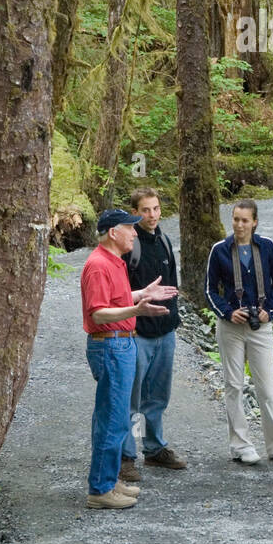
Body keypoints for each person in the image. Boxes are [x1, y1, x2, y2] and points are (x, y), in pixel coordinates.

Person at [80, 209, 177, 510]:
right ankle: (100, 489)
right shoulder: (98, 265)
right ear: (113, 232)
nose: (135, 233)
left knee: (117, 416)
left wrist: (139, 294)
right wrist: (135, 311)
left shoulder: (113, 261)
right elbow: (98, 313)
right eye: (129, 228)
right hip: (110, 346)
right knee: (111, 419)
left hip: (121, 345)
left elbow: (114, 300)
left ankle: (108, 480)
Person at [205, 200, 273, 465]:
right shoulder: (219, 250)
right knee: (234, 385)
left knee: (267, 388)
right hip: (231, 326)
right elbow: (209, 289)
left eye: (245, 220)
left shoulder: (267, 247)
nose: (240, 225)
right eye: (236, 219)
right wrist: (227, 312)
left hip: (261, 327)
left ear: (255, 222)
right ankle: (241, 445)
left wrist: (270, 311)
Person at [120, 188, 187, 479]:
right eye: (146, 210)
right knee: (130, 399)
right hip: (138, 334)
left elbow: (172, 282)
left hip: (165, 332)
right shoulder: (128, 246)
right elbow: (118, 294)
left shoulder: (164, 239)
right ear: (135, 212)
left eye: (156, 209)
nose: (152, 215)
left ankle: (154, 448)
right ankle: (125, 456)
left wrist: (174, 317)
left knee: (157, 396)